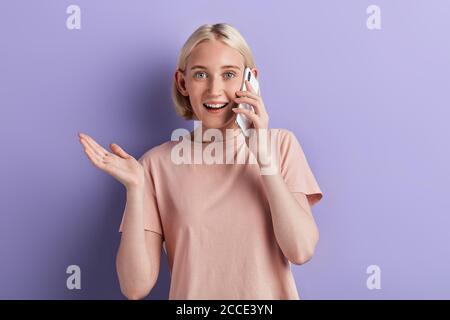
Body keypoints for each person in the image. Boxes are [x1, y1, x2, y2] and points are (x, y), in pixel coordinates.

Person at [78, 23, 323, 300]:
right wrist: (136, 190)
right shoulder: (155, 165)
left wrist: (265, 159)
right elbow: (135, 287)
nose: (214, 90)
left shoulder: (281, 146)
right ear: (183, 83)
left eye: (229, 74)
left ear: (250, 80)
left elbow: (301, 250)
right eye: (200, 75)